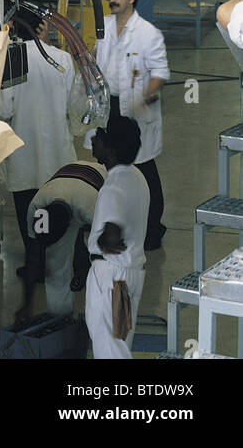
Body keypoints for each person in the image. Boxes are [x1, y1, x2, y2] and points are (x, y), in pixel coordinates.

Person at [0, 12, 76, 278]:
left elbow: (5, 109)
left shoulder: (14, 61)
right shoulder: (62, 59)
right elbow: (73, 106)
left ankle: (35, 263)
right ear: (42, 28)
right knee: (59, 209)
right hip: (58, 152)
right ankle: (67, 264)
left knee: (28, 211)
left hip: (25, 153)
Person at [95, 0, 169, 249]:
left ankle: (152, 230)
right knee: (114, 169)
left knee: (144, 169)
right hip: (111, 107)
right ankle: (120, 222)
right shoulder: (104, 27)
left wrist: (145, 97)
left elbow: (160, 73)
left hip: (136, 110)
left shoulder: (148, 33)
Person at [84, 116, 149, 359]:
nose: (94, 139)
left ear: (111, 149)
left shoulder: (113, 188)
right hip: (129, 273)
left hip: (112, 279)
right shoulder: (137, 177)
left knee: (110, 350)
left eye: (101, 136)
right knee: (118, 345)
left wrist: (101, 239)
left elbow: (111, 237)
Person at [19, 160, 106, 319]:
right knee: (55, 263)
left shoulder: (92, 208)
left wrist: (84, 265)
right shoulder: (37, 207)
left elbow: (107, 253)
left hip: (99, 178)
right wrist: (27, 304)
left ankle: (99, 319)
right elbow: (32, 256)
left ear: (68, 227)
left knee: (103, 267)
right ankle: (59, 318)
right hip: (69, 181)